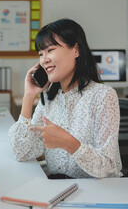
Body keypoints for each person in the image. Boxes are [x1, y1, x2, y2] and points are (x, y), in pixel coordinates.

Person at [9, 18, 122, 179]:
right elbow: (22, 151)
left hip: (94, 193)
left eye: (51, 50)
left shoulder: (103, 96)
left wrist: (69, 143)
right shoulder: (48, 98)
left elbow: (109, 168)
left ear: (76, 50)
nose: (44, 59)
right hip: (59, 189)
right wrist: (29, 96)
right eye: (41, 53)